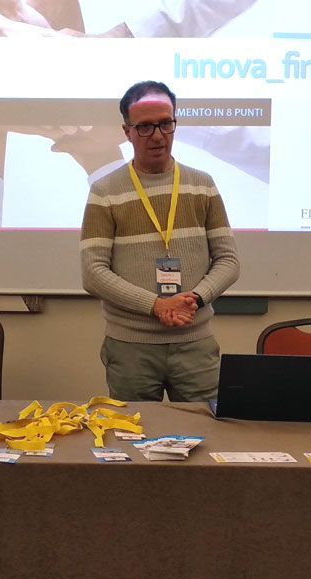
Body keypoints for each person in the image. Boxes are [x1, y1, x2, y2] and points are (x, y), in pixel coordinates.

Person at [80, 80, 240, 402]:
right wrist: (156, 305)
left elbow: (229, 260)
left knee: (204, 428)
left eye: (166, 124)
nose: (157, 136)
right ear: (127, 132)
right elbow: (93, 273)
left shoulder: (202, 185)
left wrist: (194, 298)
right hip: (131, 347)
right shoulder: (105, 191)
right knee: (133, 430)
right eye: (145, 127)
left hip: (195, 343)